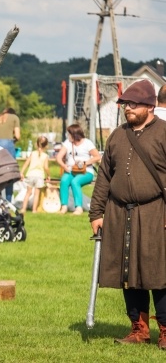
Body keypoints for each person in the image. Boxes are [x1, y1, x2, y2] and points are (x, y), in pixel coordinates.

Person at [89, 79, 166, 349]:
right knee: (128, 274)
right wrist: (96, 213)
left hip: (157, 212)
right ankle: (139, 330)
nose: (127, 109)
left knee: (159, 273)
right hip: (120, 214)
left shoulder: (164, 133)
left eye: (133, 104)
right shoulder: (117, 135)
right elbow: (104, 178)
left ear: (149, 106)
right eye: (125, 104)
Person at [55, 123, 101, 215]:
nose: (68, 136)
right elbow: (58, 157)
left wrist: (85, 163)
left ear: (74, 134)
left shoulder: (87, 143)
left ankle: (78, 207)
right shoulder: (67, 143)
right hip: (71, 170)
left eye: (69, 134)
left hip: (86, 171)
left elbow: (97, 156)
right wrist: (64, 166)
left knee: (75, 182)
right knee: (64, 180)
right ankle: (64, 206)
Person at [0, 107, 20, 201]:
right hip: (8, 144)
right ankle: (8, 201)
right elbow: (17, 135)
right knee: (10, 174)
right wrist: (13, 141)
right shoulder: (15, 118)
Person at [19, 135, 50, 213]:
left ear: (36, 144)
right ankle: (34, 210)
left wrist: (22, 172)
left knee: (28, 193)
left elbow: (26, 163)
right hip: (39, 176)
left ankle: (23, 209)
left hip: (30, 175)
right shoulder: (45, 156)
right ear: (46, 146)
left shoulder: (32, 153)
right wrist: (48, 175)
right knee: (37, 194)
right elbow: (46, 167)